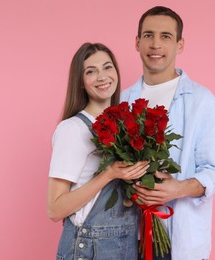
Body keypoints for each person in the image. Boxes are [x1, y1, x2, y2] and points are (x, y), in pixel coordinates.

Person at [121, 6, 215, 260]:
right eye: (148, 35)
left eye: (166, 36)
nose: (155, 44)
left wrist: (177, 189)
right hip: (127, 237)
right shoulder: (122, 100)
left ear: (180, 45)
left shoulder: (202, 101)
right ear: (137, 43)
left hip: (180, 240)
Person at [47, 42, 149, 260]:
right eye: (91, 72)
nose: (102, 77)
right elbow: (54, 209)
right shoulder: (72, 130)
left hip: (124, 246)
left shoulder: (125, 126)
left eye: (107, 67)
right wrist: (109, 174)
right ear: (81, 82)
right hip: (90, 249)